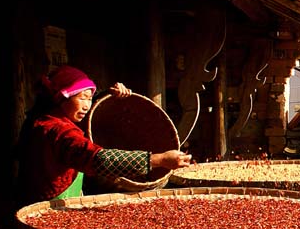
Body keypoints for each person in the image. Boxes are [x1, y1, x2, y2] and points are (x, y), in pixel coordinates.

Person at [14, 65, 192, 206]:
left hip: (53, 203)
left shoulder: (44, 118)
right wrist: (158, 160)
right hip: (46, 208)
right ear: (63, 97)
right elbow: (98, 159)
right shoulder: (58, 130)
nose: (87, 104)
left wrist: (109, 95)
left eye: (90, 98)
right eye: (82, 97)